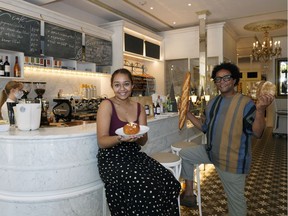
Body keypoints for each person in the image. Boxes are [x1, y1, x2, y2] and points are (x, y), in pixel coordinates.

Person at [179, 62, 274, 216]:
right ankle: (189, 194)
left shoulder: (246, 103)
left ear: (234, 80)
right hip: (211, 152)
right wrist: (187, 113)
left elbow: (257, 132)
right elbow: (205, 127)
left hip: (232, 161)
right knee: (185, 154)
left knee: (236, 203)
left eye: (226, 78)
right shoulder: (213, 103)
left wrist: (261, 110)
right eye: (218, 79)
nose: (221, 82)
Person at [96, 68, 181, 216]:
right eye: (117, 85)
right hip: (112, 159)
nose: (122, 89)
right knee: (147, 184)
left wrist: (137, 136)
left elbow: (143, 141)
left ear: (132, 85)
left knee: (168, 180)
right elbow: (101, 141)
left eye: (126, 84)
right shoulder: (106, 105)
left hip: (134, 155)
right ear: (112, 86)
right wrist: (120, 138)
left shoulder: (139, 107)